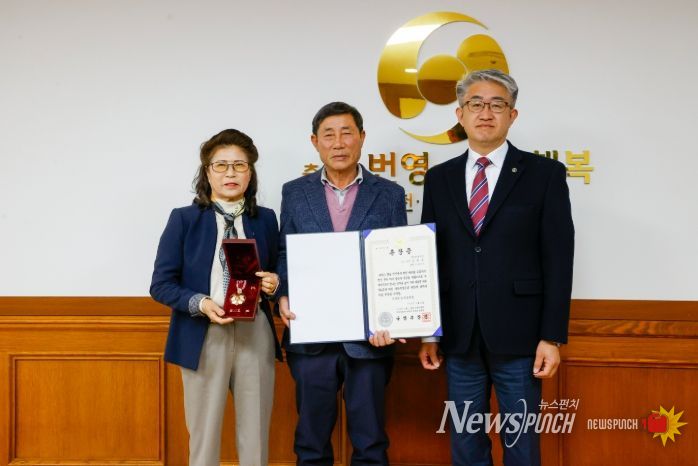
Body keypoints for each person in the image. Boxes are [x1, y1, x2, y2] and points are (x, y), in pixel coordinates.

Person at [419, 70, 574, 466]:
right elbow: (428, 259)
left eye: (497, 104)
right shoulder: (438, 179)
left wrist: (552, 337)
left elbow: (559, 258)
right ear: (460, 114)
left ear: (512, 115)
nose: (485, 113)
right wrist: (429, 331)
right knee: (465, 444)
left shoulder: (544, 175)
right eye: (475, 104)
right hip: (459, 336)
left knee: (521, 446)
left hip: (522, 338)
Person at [276, 102, 407, 465]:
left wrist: (393, 319)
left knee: (370, 442)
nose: (338, 143)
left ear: (361, 138)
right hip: (311, 338)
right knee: (310, 442)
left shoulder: (390, 194)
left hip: (370, 341)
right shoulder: (294, 192)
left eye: (347, 133)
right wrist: (283, 294)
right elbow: (285, 252)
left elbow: (398, 260)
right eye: (329, 135)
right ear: (315, 142)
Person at [150, 129, 282, 466]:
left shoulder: (266, 219)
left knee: (255, 436)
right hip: (202, 333)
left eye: (240, 165)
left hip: (255, 331)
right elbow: (161, 284)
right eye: (221, 165)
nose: (230, 173)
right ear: (207, 172)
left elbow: (280, 267)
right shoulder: (184, 219)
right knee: (204, 436)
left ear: (250, 173)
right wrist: (201, 303)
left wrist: (275, 282)